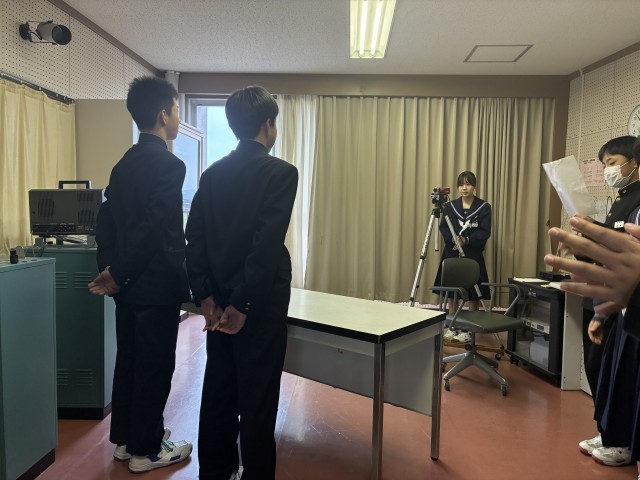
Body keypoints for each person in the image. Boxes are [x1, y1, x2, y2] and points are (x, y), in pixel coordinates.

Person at [185, 85, 298, 480]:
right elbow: (265, 245)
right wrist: (244, 304)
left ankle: (215, 473)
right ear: (268, 125)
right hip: (260, 307)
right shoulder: (281, 173)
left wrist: (206, 296)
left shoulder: (212, 174)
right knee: (258, 400)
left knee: (218, 391)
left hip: (218, 305)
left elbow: (194, 237)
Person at [88, 76, 193, 473]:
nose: (178, 117)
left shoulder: (123, 163)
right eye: (177, 110)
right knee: (155, 367)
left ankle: (126, 439)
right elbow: (154, 228)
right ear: (163, 115)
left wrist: (110, 269)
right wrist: (118, 271)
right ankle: (146, 451)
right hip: (156, 286)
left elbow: (105, 220)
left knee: (130, 361)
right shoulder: (170, 165)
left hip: (126, 287)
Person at [560, 135, 640, 466]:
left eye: (612, 163)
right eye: (604, 164)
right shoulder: (622, 201)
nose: (608, 171)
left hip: (625, 303)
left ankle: (622, 440)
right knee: (603, 369)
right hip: (609, 298)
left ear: (634, 162)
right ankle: (608, 431)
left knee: (622, 373)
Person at [545, 215, 640, 478]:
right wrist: (606, 311)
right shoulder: (631, 211)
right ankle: (611, 434)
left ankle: (620, 440)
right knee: (609, 375)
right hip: (623, 318)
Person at [433, 171, 491, 343]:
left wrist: (466, 240)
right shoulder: (450, 207)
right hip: (452, 252)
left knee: (474, 292)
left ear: (474, 186)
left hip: (472, 254)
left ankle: (470, 329)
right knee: (452, 292)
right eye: (461, 184)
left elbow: (484, 232)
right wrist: (453, 240)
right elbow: (444, 227)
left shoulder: (484, 207)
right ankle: (452, 325)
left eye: (468, 184)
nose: (464, 188)